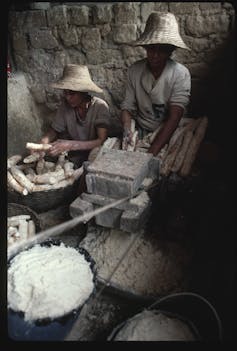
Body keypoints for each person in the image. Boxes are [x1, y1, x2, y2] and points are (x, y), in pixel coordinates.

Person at [121, 12, 191, 156]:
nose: (155, 55)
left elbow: (175, 116)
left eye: (162, 50)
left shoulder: (180, 74)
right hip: (142, 129)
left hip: (169, 131)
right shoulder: (135, 70)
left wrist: (151, 153)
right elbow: (127, 107)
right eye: (152, 48)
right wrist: (128, 130)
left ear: (171, 50)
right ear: (146, 47)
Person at [41, 64, 112, 168]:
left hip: (93, 154)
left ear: (83, 93)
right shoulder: (65, 105)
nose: (68, 98)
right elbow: (54, 130)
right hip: (73, 154)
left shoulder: (100, 107)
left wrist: (70, 145)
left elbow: (101, 141)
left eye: (72, 94)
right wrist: (44, 141)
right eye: (65, 93)